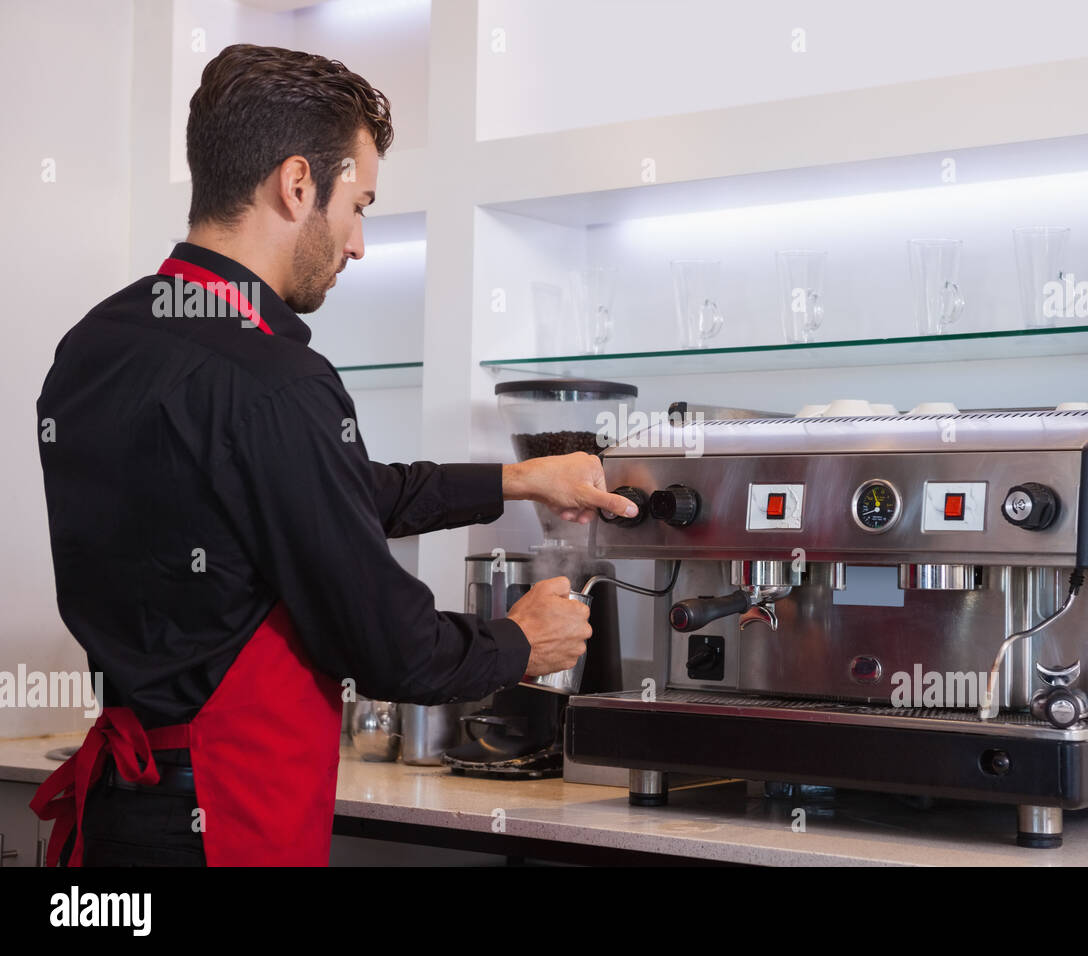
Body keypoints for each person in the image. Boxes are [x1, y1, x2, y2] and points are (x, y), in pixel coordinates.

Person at [31, 43, 637, 867]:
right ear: (296, 184)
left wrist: (513, 480)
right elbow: (384, 644)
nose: (358, 244)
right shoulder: (273, 378)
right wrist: (522, 641)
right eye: (361, 204)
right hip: (221, 819)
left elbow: (300, 495)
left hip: (118, 821)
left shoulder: (97, 344)